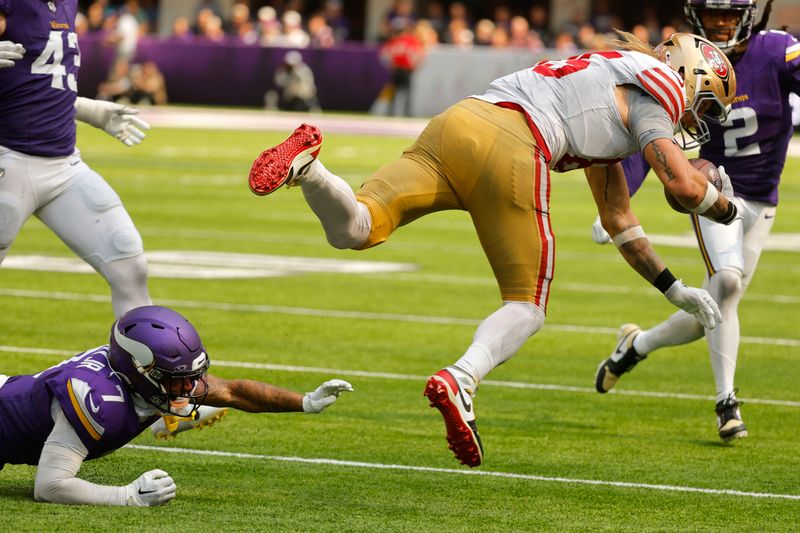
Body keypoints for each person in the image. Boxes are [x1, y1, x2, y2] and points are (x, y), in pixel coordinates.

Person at [246, 31, 739, 467]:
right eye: (708, 103)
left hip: (459, 120)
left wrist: (673, 290)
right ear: (689, 74)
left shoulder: (608, 77)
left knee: (357, 226)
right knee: (527, 305)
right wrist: (728, 208)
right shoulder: (659, 89)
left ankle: (310, 171)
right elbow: (685, 188)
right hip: (514, 143)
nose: (700, 117)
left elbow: (618, 219)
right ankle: (461, 378)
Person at [0, 1, 224, 438]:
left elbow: (40, 78)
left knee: (128, 264)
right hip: (7, 161)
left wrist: (87, 110)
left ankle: (153, 395)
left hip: (63, 165)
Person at [593, 0, 800, 443]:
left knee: (713, 305)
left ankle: (636, 346)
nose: (721, 23)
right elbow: (650, 131)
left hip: (763, 200)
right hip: (710, 191)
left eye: (729, 14)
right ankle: (727, 403)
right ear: (695, 14)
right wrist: (617, 201)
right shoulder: (684, 57)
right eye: (713, 14)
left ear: (748, 14)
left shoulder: (778, 50)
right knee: (725, 283)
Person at [0, 305, 353, 506]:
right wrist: (127, 497)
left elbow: (233, 392)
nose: (190, 386)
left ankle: (165, 422)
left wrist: (305, 402)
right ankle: (166, 423)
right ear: (139, 371)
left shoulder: (138, 379)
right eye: (176, 379)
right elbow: (50, 486)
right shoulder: (94, 398)